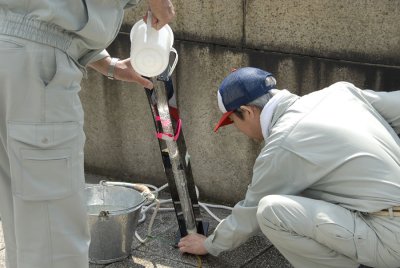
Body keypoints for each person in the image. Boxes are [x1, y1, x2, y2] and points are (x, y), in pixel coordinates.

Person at [0, 1, 174, 268]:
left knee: (22, 221)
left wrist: (109, 65)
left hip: (12, 50)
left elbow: (35, 20)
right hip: (36, 70)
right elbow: (45, 25)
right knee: (54, 238)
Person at [178, 67, 400, 268]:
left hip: (391, 240)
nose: (238, 129)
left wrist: (209, 244)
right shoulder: (340, 93)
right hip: (388, 219)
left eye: (234, 122)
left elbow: (249, 212)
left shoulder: (283, 143)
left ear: (247, 111)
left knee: (269, 211)